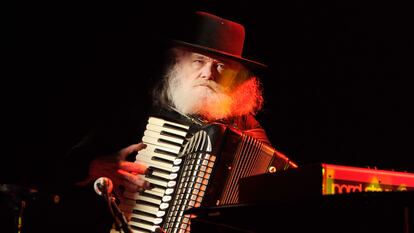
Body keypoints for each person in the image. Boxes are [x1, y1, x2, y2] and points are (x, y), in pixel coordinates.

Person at [56, 11, 283, 233]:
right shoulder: (140, 110)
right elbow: (65, 167)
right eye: (198, 61)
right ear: (177, 61)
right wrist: (95, 167)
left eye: (221, 66)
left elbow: (269, 200)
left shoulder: (247, 128)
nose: (208, 73)